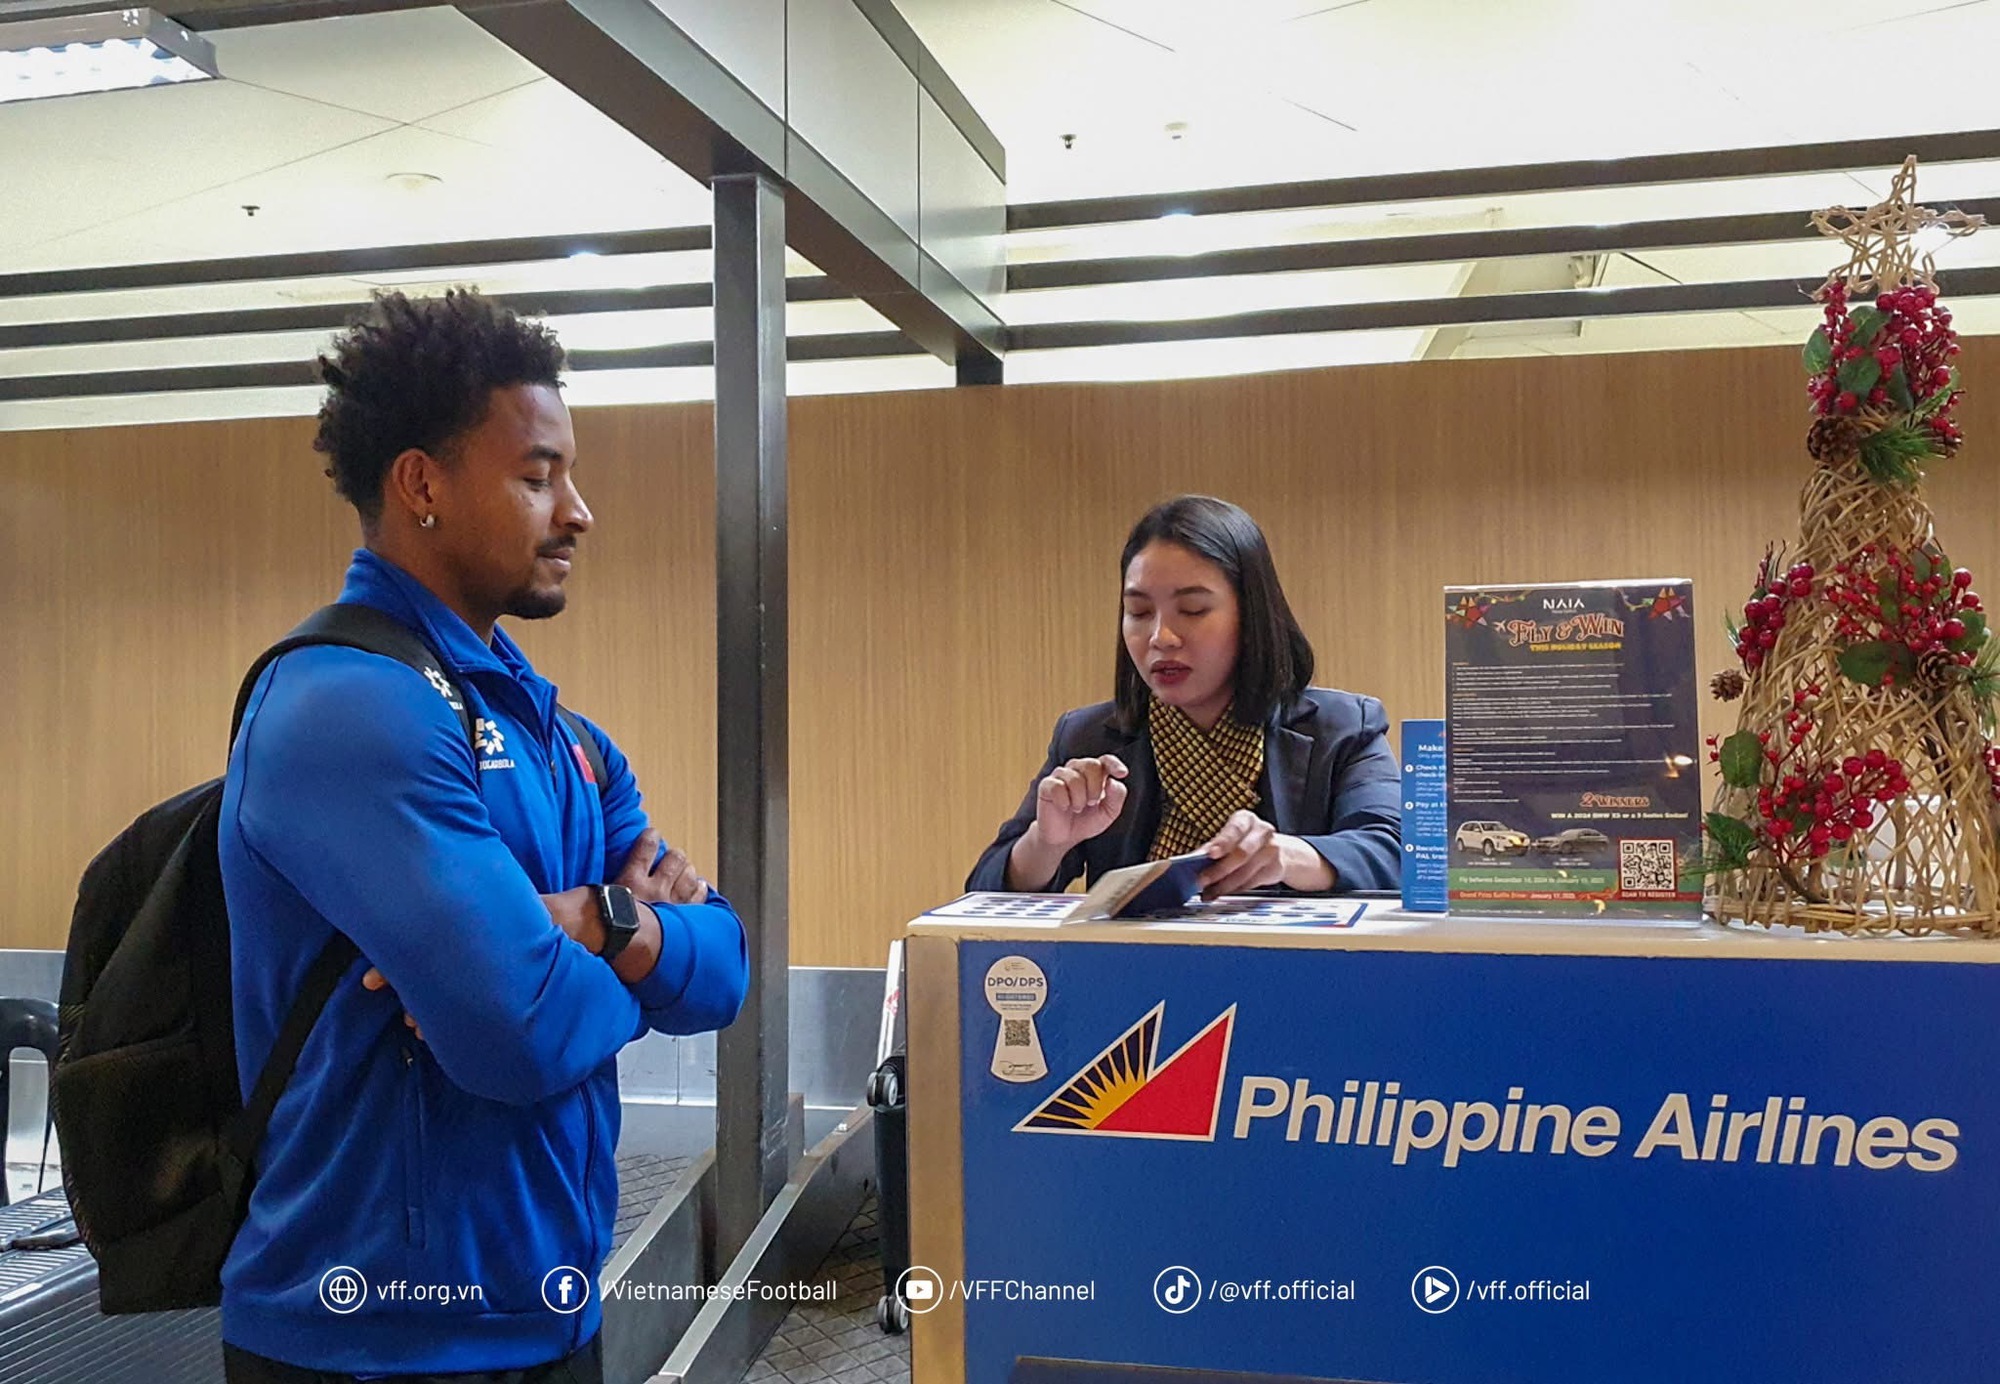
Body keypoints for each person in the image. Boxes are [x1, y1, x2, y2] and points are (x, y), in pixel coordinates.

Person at [217, 290, 748, 1383]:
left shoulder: (565, 738)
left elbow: (726, 972)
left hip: (548, 1310)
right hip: (375, 1340)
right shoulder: (348, 709)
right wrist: (631, 938)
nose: (578, 511)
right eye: (537, 475)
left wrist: (595, 921)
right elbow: (517, 1036)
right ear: (421, 484)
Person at [967, 495, 1401, 898]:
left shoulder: (1342, 728)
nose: (1160, 637)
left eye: (1192, 610)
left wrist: (1289, 856)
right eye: (1138, 612)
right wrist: (1046, 843)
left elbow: (1399, 855)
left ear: (1251, 615)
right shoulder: (1088, 738)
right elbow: (984, 891)